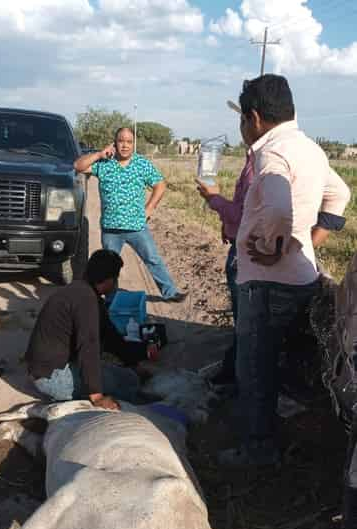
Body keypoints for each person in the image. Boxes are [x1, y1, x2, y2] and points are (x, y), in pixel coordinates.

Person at [217, 74, 351, 467]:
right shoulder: (312, 149)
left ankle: (259, 450)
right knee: (288, 357)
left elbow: (276, 205)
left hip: (266, 282)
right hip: (303, 277)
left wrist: (274, 244)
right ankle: (294, 427)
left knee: (254, 367)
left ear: (254, 117)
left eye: (242, 121)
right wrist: (310, 237)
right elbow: (339, 193)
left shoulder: (269, 152)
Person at [25, 250, 149, 410]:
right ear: (109, 280)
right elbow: (88, 347)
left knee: (124, 374)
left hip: (44, 369)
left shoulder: (81, 289)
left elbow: (110, 335)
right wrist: (96, 396)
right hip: (51, 378)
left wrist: (133, 362)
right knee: (128, 383)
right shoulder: (87, 301)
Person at [74, 127, 187, 303]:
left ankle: (170, 292)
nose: (125, 145)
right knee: (108, 268)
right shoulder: (104, 164)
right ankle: (109, 300)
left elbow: (160, 185)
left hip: (137, 227)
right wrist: (99, 154)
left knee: (153, 259)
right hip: (111, 229)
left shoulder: (141, 164)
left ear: (133, 144)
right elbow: (78, 166)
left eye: (129, 141)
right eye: (121, 141)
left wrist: (149, 208)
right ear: (115, 142)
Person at [197, 109, 254, 384]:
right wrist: (225, 223)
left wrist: (213, 198)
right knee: (243, 317)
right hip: (239, 245)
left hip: (247, 254)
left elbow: (245, 216)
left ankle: (236, 374)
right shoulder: (252, 159)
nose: (240, 128)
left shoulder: (261, 164)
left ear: (253, 120)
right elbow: (241, 208)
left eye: (242, 121)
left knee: (245, 321)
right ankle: (235, 367)